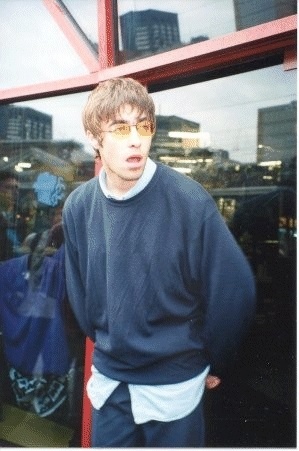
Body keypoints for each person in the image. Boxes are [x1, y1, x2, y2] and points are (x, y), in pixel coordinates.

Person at [62, 77, 256, 447]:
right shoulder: (79, 206)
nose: (136, 139)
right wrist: (110, 338)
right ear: (93, 137)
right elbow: (80, 292)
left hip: (174, 388)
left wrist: (214, 360)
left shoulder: (188, 201)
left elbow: (234, 291)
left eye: (144, 126)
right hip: (110, 386)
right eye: (120, 128)